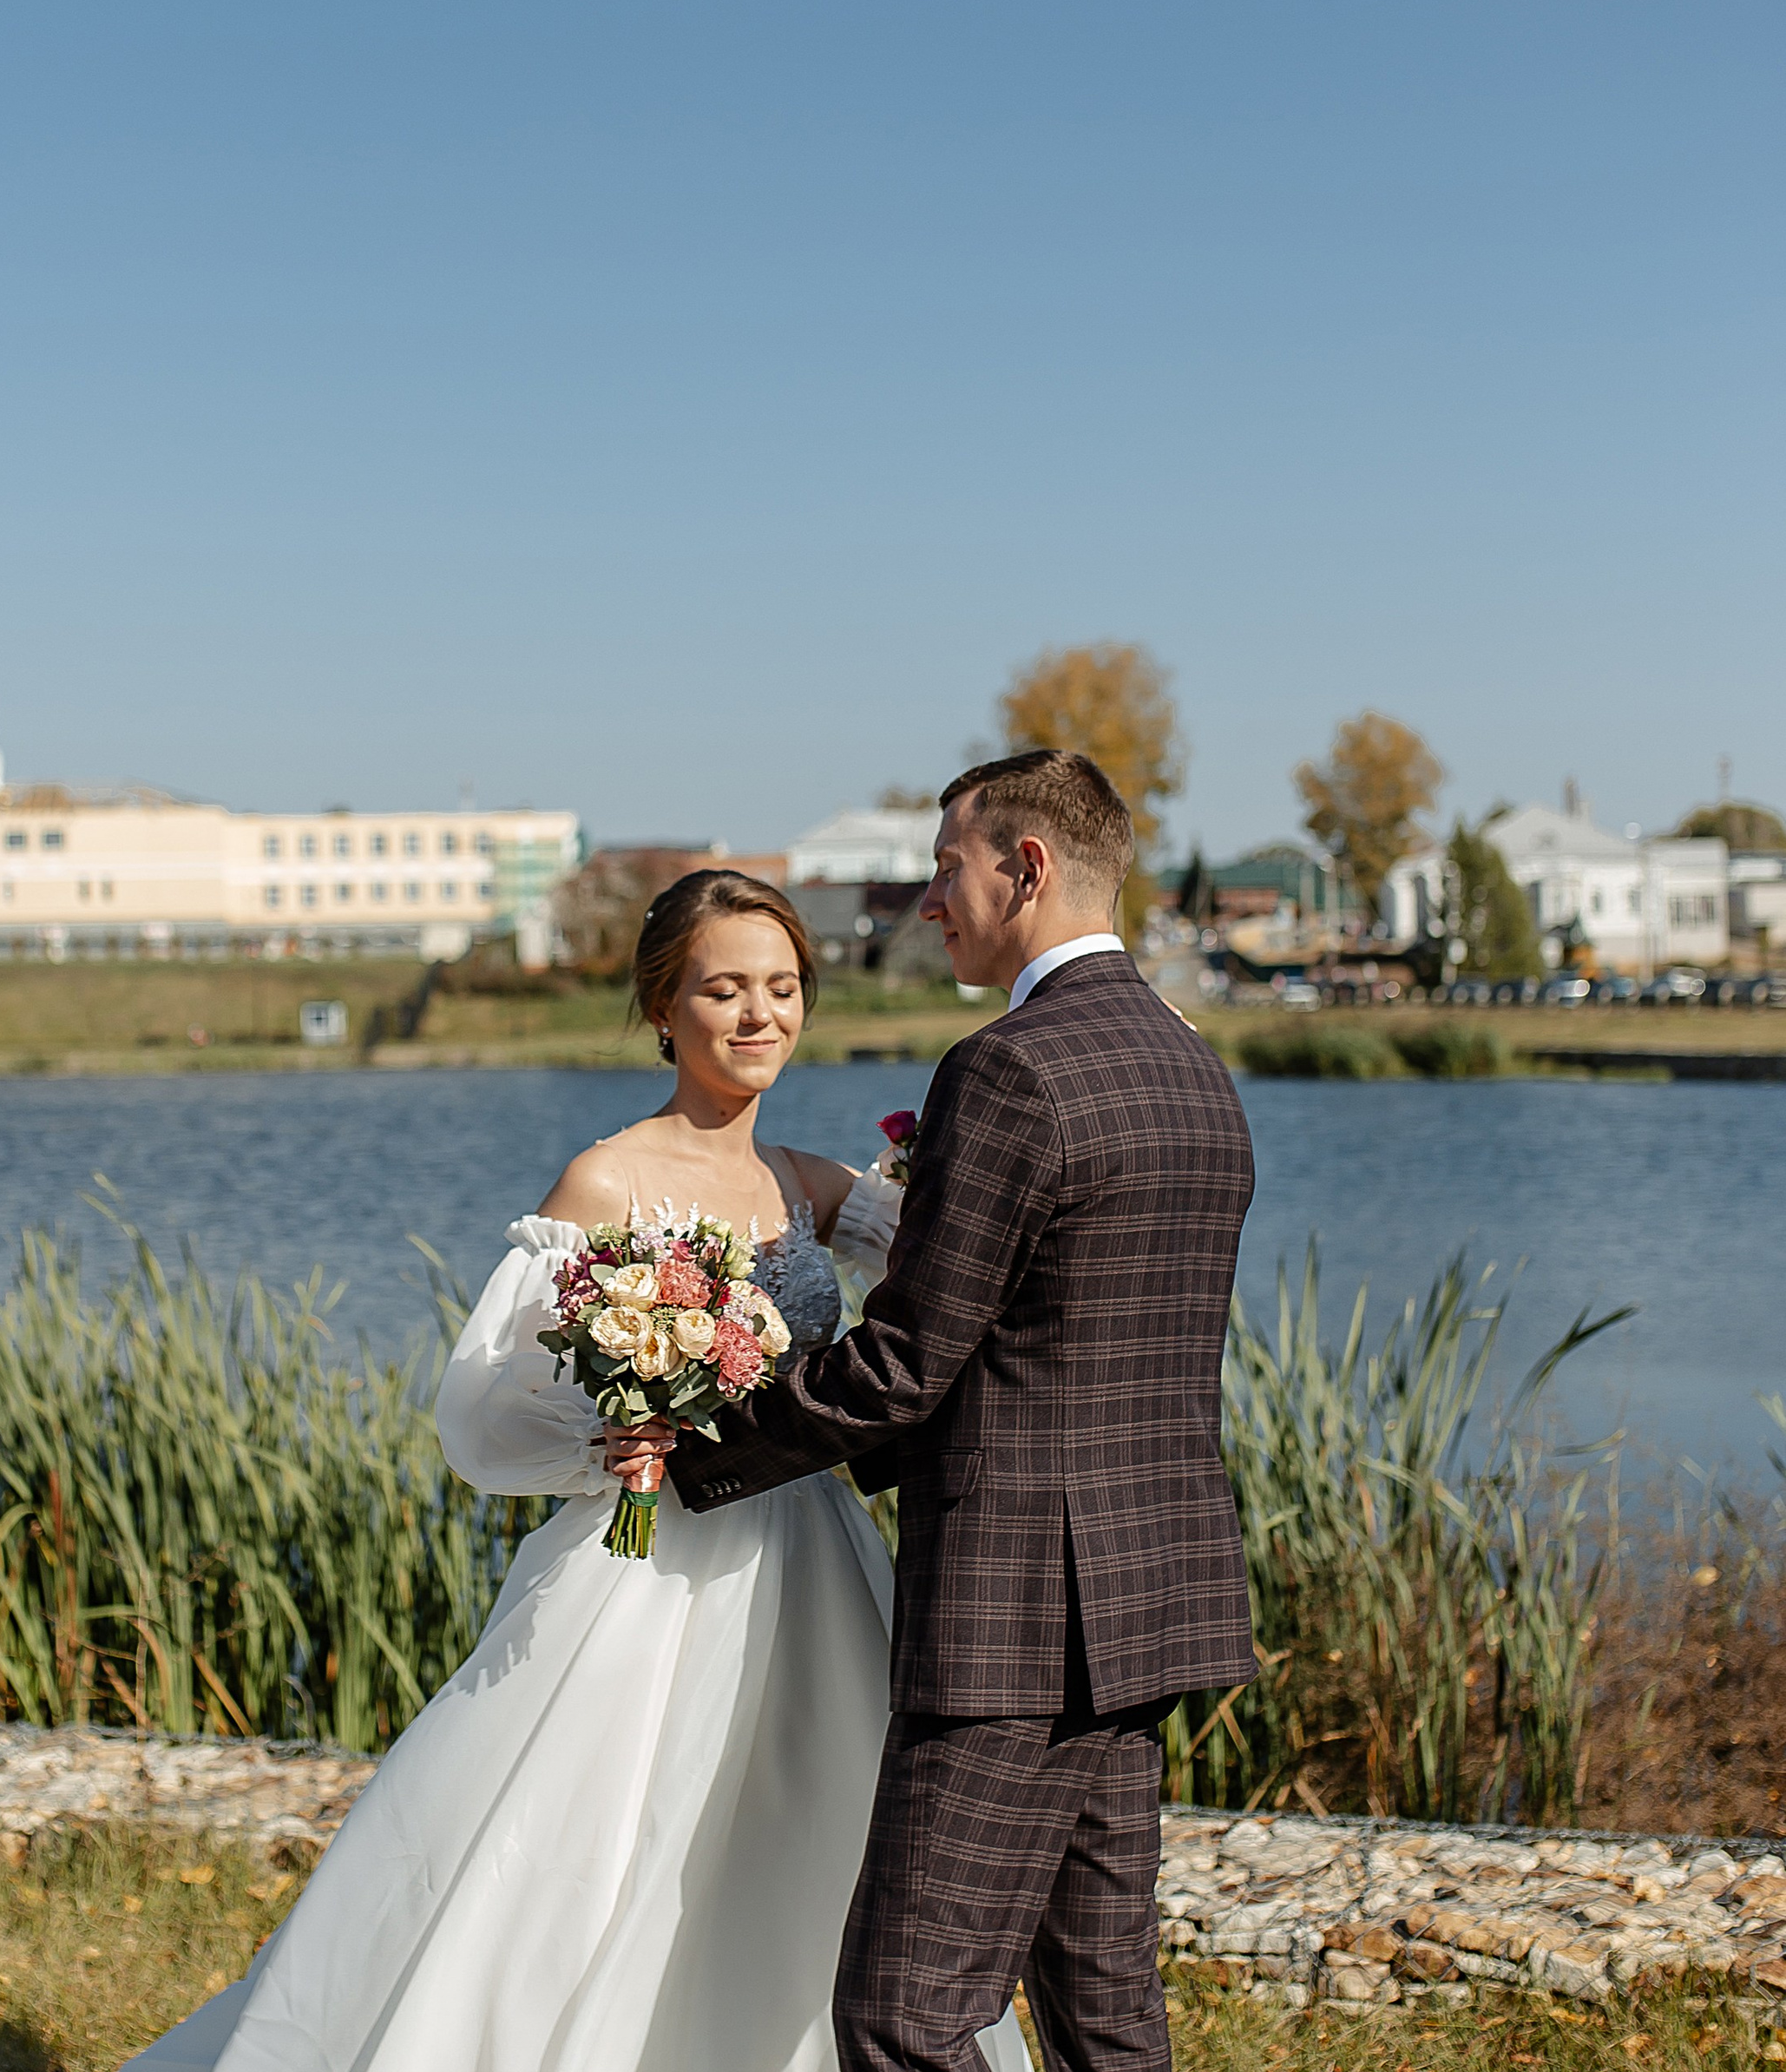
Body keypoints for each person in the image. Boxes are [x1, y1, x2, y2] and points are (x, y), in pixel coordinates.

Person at [127, 868, 1031, 2072]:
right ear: (667, 1007)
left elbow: (967, 1280)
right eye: (724, 988)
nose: (758, 1015)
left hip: (812, 1556)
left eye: (781, 987)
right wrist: (607, 1432)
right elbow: (488, 1401)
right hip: (648, 1568)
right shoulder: (604, 1182)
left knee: (818, 1835)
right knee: (592, 1843)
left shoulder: (811, 1186)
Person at [615, 749, 1257, 2072]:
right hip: (1149, 1606)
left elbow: (908, 1363)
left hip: (1016, 1622)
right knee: (1108, 2020)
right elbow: (1051, 1348)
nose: (927, 902)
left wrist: (698, 1449)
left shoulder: (1011, 1069)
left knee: (903, 2022)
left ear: (1024, 868)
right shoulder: (1193, 1065)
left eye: (943, 867)